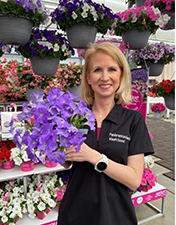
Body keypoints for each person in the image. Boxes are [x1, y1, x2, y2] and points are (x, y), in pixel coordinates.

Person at [57, 42, 154, 225]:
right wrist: (52, 146)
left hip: (115, 215)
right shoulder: (74, 116)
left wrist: (94, 157)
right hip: (75, 213)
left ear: (121, 75)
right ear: (88, 77)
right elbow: (66, 161)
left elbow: (134, 180)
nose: (105, 77)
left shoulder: (133, 121)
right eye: (97, 70)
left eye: (112, 69)